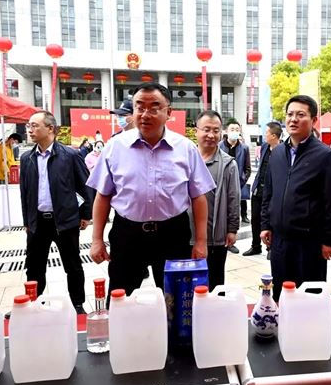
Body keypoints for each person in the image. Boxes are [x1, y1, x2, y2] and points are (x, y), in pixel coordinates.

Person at [87, 82, 215, 299]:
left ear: (169, 112)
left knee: (176, 300)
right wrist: (97, 239)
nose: (145, 114)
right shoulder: (115, 147)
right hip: (127, 234)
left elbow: (198, 197)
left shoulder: (185, 148)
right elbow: (103, 195)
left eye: (154, 107)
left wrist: (201, 242)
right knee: (121, 298)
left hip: (172, 234)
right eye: (139, 107)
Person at [260, 95, 331, 301]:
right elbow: (268, 192)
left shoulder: (325, 156)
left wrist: (329, 240)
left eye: (300, 115)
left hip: (309, 243)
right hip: (279, 240)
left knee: (308, 297)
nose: (293, 119)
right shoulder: (277, 153)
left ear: (313, 120)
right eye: (290, 114)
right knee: (281, 294)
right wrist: (265, 224)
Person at [19, 111, 92, 314]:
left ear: (50, 128)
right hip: (37, 222)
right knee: (34, 266)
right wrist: (27, 221)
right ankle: (33, 303)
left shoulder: (70, 155)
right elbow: (24, 192)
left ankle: (77, 304)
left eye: (34, 125)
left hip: (65, 221)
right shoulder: (27, 158)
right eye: (28, 126)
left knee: (72, 265)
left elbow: (84, 186)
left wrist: (85, 215)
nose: (30, 130)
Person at [194, 110, 240, 289]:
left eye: (216, 130)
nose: (211, 135)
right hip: (186, 236)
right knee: (186, 287)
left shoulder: (229, 164)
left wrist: (232, 229)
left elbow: (233, 198)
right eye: (206, 130)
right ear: (196, 131)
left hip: (215, 238)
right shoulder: (185, 159)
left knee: (214, 285)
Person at [243, 122, 282, 257]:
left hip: (272, 191)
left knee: (270, 220)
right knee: (255, 218)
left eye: (267, 133)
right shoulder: (265, 147)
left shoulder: (283, 150)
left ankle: (271, 248)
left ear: (274, 135)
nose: (265, 135)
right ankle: (255, 246)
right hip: (258, 189)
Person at [220, 119, 251, 230]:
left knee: (237, 207)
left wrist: (242, 180)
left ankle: (242, 217)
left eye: (237, 129)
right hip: (222, 183)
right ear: (226, 131)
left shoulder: (244, 148)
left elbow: (247, 168)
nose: (235, 131)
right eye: (232, 129)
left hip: (239, 183)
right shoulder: (219, 146)